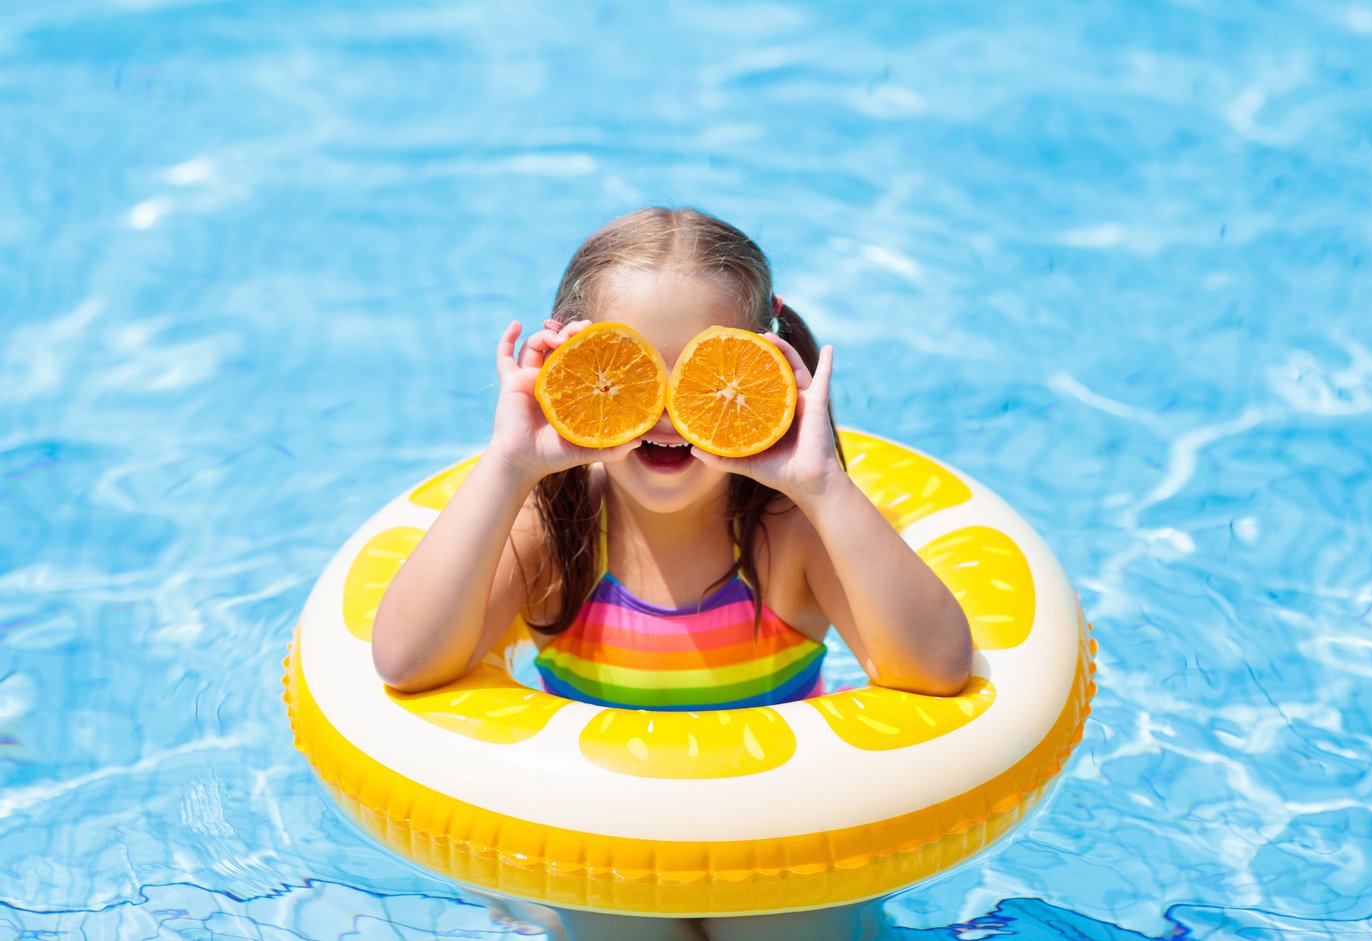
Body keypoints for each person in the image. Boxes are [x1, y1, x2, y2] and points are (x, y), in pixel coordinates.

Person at [370, 207, 973, 941]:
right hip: (604, 854)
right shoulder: (553, 533)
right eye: (629, 368)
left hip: (776, 848)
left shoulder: (788, 534)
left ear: (763, 363)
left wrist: (819, 484)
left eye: (703, 372)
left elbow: (935, 670)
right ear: (564, 361)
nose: (665, 412)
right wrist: (507, 465)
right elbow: (406, 660)